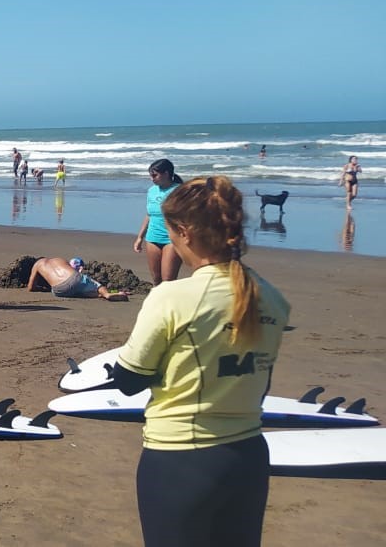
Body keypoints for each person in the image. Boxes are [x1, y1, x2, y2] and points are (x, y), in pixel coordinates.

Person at [110, 175, 290, 547]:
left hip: (181, 461)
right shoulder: (272, 297)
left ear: (184, 232)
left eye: (172, 234)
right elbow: (261, 382)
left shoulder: (173, 298)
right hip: (248, 457)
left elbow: (129, 380)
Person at [134, 159, 184, 285]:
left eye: (155, 175)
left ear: (166, 173)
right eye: (151, 175)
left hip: (171, 240)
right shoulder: (152, 191)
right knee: (156, 280)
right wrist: (140, 237)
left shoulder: (179, 191)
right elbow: (149, 214)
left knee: (168, 281)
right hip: (152, 239)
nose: (152, 179)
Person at [26, 257, 128, 301]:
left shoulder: (37, 265)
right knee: (97, 286)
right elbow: (72, 270)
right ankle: (107, 294)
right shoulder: (58, 259)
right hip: (74, 279)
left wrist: (42, 288)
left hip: (58, 290)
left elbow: (30, 287)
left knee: (79, 292)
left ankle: (102, 294)